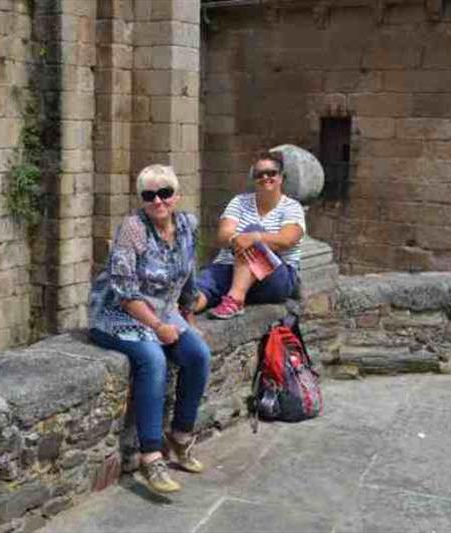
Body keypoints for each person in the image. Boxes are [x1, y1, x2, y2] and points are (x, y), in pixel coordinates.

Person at [88, 164, 211, 494]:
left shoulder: (187, 225)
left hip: (164, 311)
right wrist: (158, 327)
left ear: (177, 195)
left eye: (165, 193)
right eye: (149, 195)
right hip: (117, 315)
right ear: (142, 199)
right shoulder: (132, 229)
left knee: (198, 354)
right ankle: (151, 456)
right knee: (153, 360)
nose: (158, 200)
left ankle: (181, 436)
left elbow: (189, 276)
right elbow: (125, 295)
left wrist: (189, 319)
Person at [194, 152, 305, 319]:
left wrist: (254, 238)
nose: (265, 177)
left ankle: (236, 299)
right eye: (259, 174)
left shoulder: (292, 207)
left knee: (252, 230)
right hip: (229, 269)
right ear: (254, 179)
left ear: (281, 177)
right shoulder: (239, 202)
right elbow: (223, 235)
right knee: (197, 291)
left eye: (271, 173)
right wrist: (236, 239)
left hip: (274, 279)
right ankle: (177, 316)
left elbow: (287, 240)